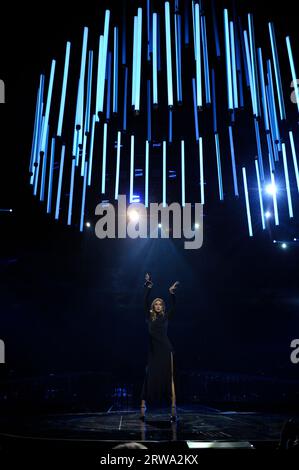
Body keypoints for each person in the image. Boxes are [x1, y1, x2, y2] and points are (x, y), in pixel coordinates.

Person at [140, 272, 179, 422]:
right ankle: (143, 410)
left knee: (169, 379)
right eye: (155, 303)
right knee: (148, 377)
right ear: (153, 306)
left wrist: (171, 293)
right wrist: (149, 288)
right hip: (153, 352)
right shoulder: (149, 317)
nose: (158, 305)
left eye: (160, 304)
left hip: (166, 350)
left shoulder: (165, 317)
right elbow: (144, 301)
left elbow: (174, 306)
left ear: (163, 307)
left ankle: (173, 411)